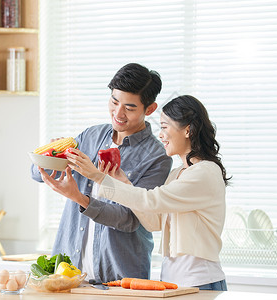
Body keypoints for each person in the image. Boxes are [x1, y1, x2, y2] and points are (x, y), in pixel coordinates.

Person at [39, 95, 230, 290]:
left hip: (201, 281)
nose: (161, 135)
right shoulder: (177, 174)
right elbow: (153, 221)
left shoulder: (205, 172)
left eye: (165, 127)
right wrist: (125, 183)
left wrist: (97, 176)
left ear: (187, 130)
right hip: (174, 281)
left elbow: (151, 201)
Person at [31, 63, 173, 283]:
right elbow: (35, 173)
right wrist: (50, 156)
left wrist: (78, 198)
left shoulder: (157, 157)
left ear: (150, 109)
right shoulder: (90, 136)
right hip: (68, 274)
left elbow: (130, 220)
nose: (118, 114)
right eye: (114, 101)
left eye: (130, 107)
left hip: (121, 277)